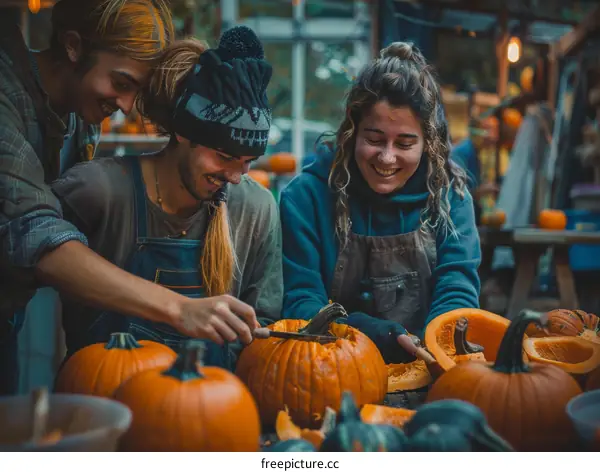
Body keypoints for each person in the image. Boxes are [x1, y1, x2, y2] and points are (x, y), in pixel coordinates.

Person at [0, 1, 251, 396]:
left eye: (138, 90)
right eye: (121, 82)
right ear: (72, 46)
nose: (127, 106)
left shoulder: (77, 117)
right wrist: (179, 307)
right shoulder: (5, 99)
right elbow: (35, 234)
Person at [51, 27, 282, 369]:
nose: (235, 176)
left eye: (248, 162)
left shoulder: (255, 210)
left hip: (215, 409)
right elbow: (33, 258)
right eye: (223, 155)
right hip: (105, 403)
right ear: (183, 132)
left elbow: (261, 330)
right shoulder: (98, 191)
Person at [279, 42, 481, 364]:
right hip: (330, 364)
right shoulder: (306, 198)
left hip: (427, 363)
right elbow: (301, 300)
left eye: (404, 143)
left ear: (428, 143)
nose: (387, 157)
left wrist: (435, 346)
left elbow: (457, 285)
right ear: (351, 132)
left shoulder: (450, 197)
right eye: (373, 139)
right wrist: (370, 334)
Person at [450, 115, 500, 223]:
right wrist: (483, 190)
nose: (492, 137)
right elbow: (458, 196)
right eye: (487, 130)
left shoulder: (474, 152)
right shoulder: (461, 153)